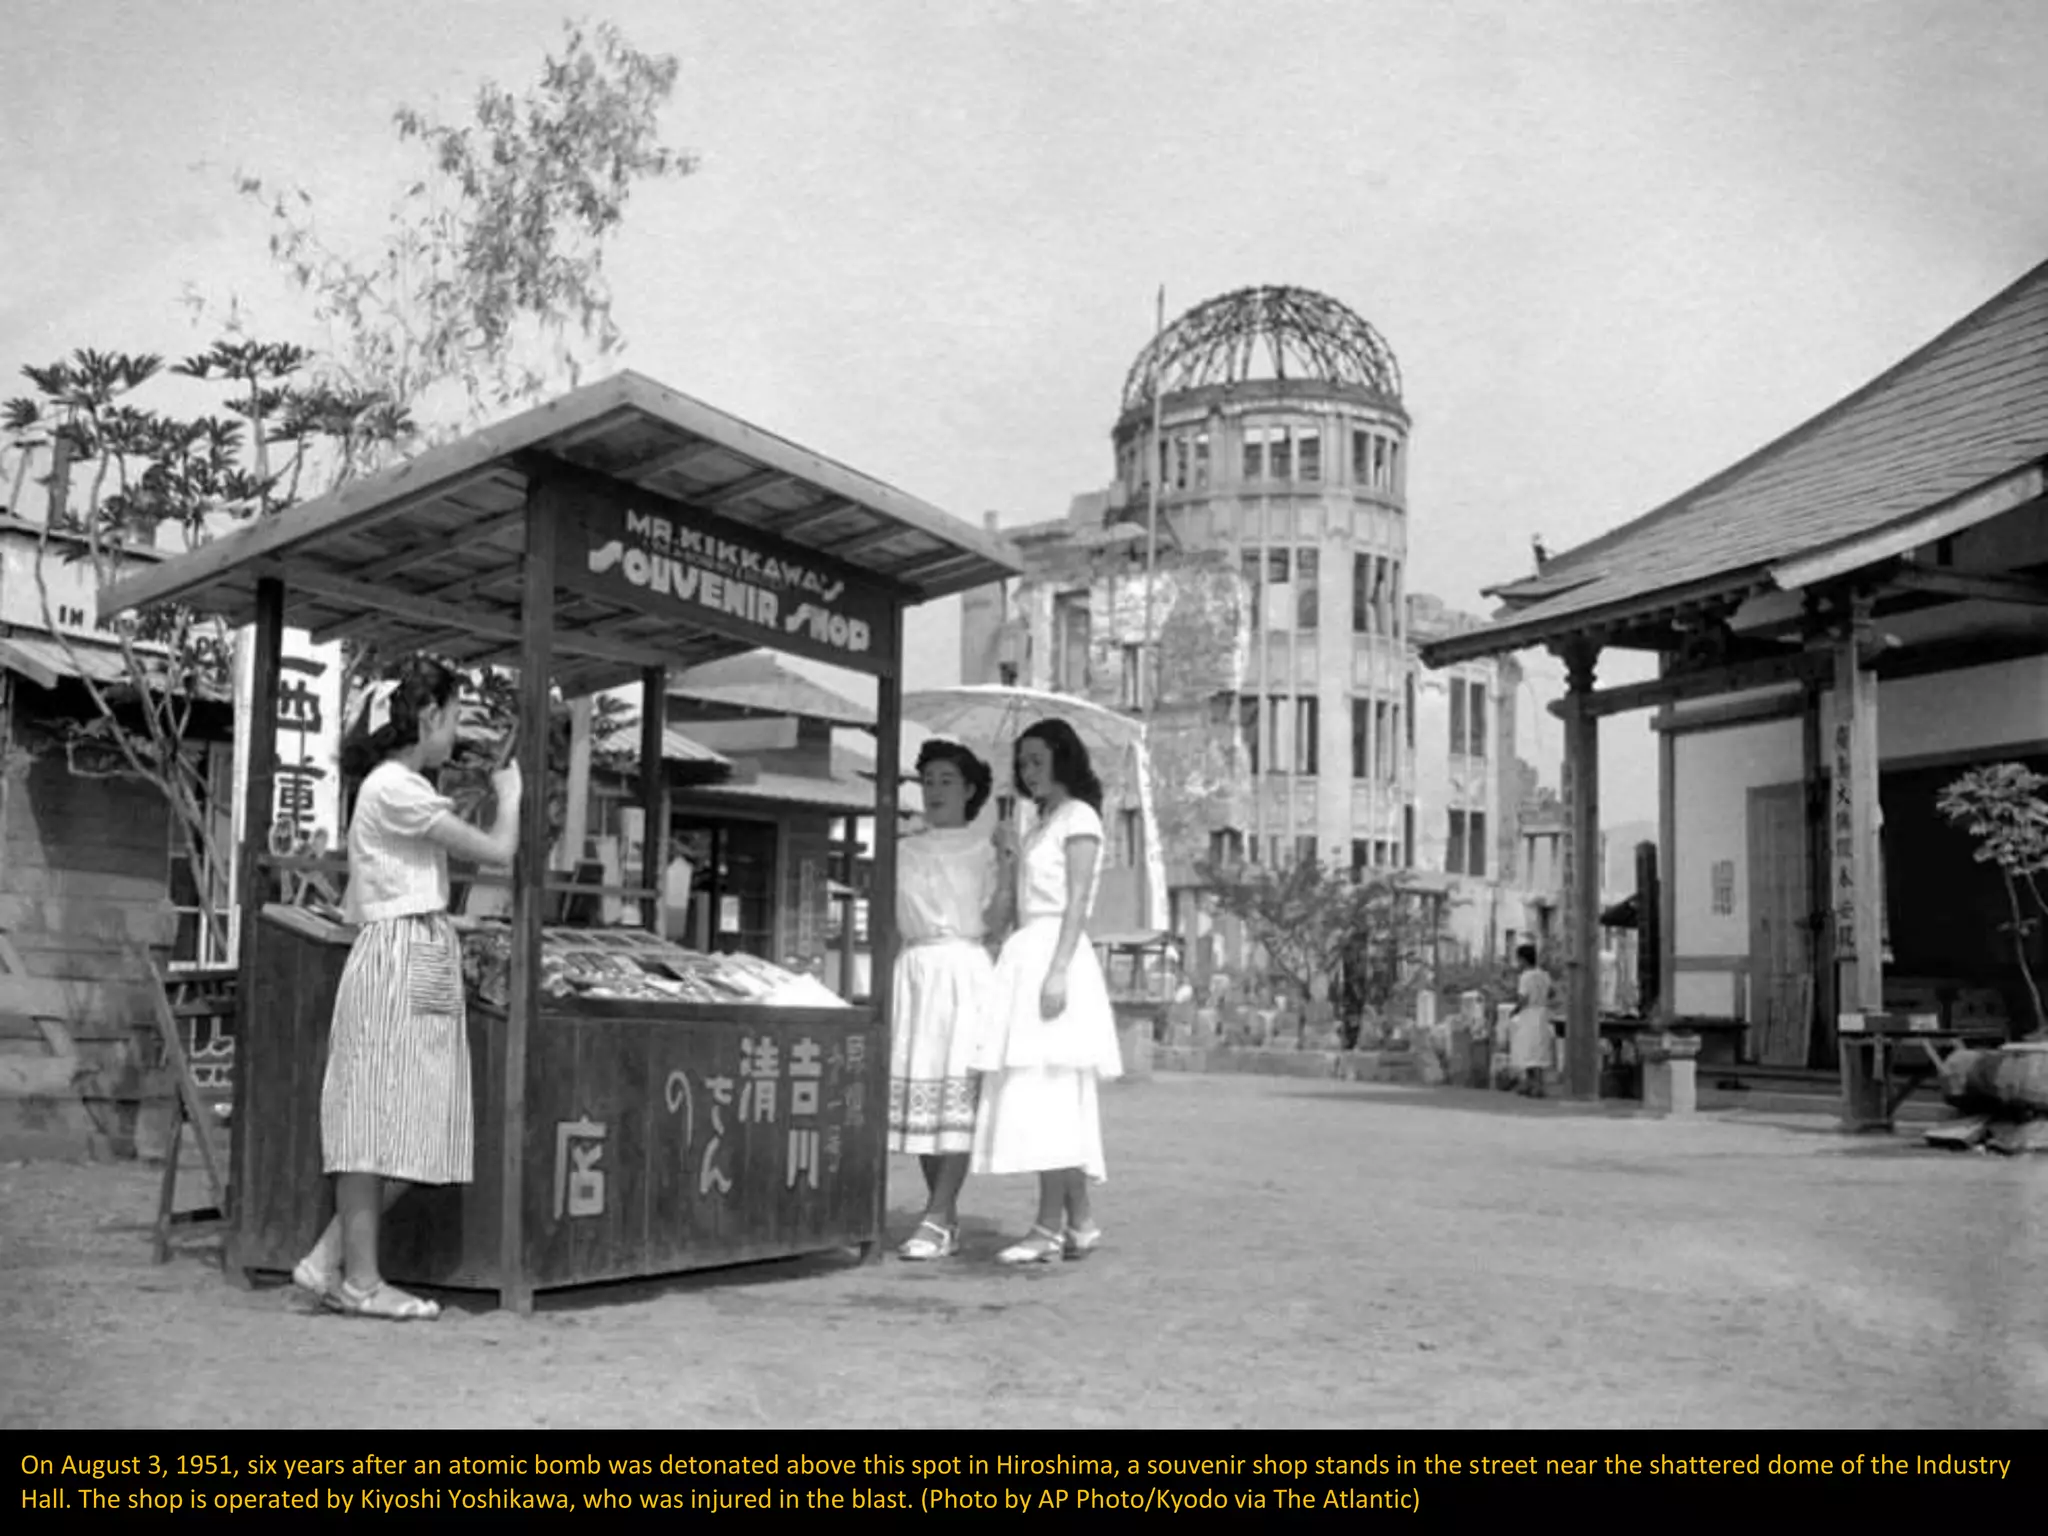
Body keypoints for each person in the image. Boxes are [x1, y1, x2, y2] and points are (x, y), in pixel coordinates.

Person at [291, 660, 521, 1320]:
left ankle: (331, 1263)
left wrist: (447, 918)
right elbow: (497, 850)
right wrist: (511, 795)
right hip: (398, 957)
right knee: (389, 1124)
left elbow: (400, 884)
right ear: (427, 719)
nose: (455, 733)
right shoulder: (396, 786)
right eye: (451, 718)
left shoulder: (393, 786)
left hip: (407, 946)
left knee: (402, 1125)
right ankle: (355, 1277)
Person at [970, 719, 1122, 1264]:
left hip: (1057, 952)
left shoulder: (1079, 818)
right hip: (1024, 951)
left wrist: (1058, 970)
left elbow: (1078, 900)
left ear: (1062, 759)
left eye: (1037, 761)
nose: (1028, 773)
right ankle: (1078, 1221)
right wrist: (1010, 854)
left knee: (1050, 1088)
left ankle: (1047, 1226)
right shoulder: (1037, 824)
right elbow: (1010, 909)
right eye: (1023, 763)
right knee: (1038, 1089)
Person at [887, 739, 1002, 1261]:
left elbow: (999, 923)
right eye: (928, 780)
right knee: (922, 1099)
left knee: (954, 1093)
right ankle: (944, 1215)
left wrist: (1012, 869)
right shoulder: (903, 849)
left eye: (946, 781)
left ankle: (935, 1215)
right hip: (915, 971)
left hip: (964, 972)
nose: (934, 791)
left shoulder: (986, 850)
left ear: (970, 790)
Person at [1509, 943, 1554, 1098]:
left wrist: (1515, 1010)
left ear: (1523, 959)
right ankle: (1538, 1085)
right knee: (1540, 1051)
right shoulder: (1544, 975)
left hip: (1529, 1014)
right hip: (1542, 1013)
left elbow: (1523, 998)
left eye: (1519, 960)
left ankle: (1531, 1084)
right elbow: (1552, 992)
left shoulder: (1525, 977)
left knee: (1528, 1051)